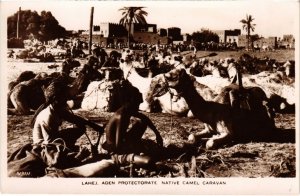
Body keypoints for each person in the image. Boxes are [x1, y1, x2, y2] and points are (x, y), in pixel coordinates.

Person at [102, 81, 163, 167]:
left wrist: (157, 134)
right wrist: (136, 150)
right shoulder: (121, 116)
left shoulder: (127, 110)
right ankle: (134, 152)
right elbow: (117, 146)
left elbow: (144, 118)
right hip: (115, 153)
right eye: (137, 104)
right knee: (148, 161)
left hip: (122, 144)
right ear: (130, 102)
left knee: (141, 122)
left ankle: (136, 148)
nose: (138, 107)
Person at [31, 78, 104, 150]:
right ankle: (69, 148)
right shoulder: (48, 116)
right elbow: (50, 143)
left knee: (80, 127)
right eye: (64, 97)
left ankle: (69, 147)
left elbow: (74, 119)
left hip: (52, 140)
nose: (66, 99)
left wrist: (94, 126)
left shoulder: (57, 109)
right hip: (42, 146)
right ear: (55, 99)